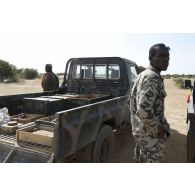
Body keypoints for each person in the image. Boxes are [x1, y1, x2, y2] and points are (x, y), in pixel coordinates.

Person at [130, 43, 171, 163]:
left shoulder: (142, 75)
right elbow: (143, 111)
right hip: (150, 138)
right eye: (161, 56)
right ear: (151, 58)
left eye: (168, 56)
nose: (166, 59)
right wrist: (158, 129)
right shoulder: (152, 78)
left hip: (141, 133)